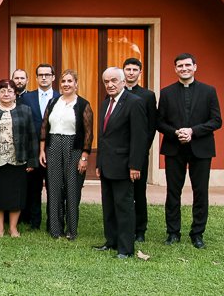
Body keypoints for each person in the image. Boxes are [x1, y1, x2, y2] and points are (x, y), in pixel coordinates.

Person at [158, 53, 221, 249]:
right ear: (175, 69)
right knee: (173, 192)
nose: (184, 69)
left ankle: (197, 234)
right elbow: (159, 122)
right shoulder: (166, 92)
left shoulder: (209, 91)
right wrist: (176, 132)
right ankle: (173, 233)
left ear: (195, 67)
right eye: (180, 66)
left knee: (200, 192)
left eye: (187, 65)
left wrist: (193, 131)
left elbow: (216, 121)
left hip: (201, 148)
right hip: (174, 148)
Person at [93, 67, 147, 259]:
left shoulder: (135, 103)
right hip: (107, 165)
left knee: (124, 207)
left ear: (123, 81)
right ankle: (112, 241)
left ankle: (125, 249)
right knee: (109, 206)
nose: (110, 84)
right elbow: (103, 137)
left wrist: (135, 165)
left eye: (114, 80)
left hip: (125, 166)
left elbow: (139, 138)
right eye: (106, 81)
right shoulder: (106, 102)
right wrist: (98, 163)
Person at [38, 69, 93, 240]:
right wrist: (42, 150)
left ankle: (72, 230)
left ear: (76, 84)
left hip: (74, 148)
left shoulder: (83, 104)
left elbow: (88, 133)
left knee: (72, 188)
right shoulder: (53, 102)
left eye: (70, 81)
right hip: (53, 146)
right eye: (63, 81)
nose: (66, 84)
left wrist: (84, 156)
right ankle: (55, 229)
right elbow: (44, 127)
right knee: (53, 188)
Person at [0, 79, 38, 237]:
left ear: (15, 94)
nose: (6, 94)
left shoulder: (25, 110)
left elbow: (32, 136)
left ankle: (13, 228)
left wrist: (32, 160)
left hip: (17, 160)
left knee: (15, 196)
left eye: (10, 91)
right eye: (2, 91)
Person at [122, 57, 158, 242]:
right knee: (123, 191)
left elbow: (151, 126)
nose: (130, 72)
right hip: (120, 152)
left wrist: (143, 150)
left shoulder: (148, 95)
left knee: (139, 192)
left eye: (134, 69)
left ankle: (140, 229)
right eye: (127, 69)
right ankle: (125, 226)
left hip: (140, 153)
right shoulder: (115, 93)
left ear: (140, 72)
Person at [20, 63, 58, 229]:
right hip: (32, 150)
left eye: (47, 75)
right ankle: (34, 222)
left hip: (54, 148)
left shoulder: (60, 97)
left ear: (53, 77)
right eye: (41, 75)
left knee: (53, 188)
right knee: (33, 189)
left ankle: (53, 222)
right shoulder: (27, 98)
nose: (44, 78)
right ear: (35, 78)